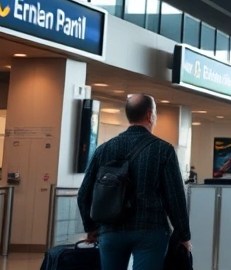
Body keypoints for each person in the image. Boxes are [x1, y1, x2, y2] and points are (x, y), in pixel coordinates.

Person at [77, 94, 191, 270]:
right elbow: (175, 197)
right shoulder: (163, 150)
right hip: (150, 230)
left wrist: (91, 227)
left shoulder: (104, 149)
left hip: (111, 230)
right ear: (149, 116)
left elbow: (84, 193)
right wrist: (183, 235)